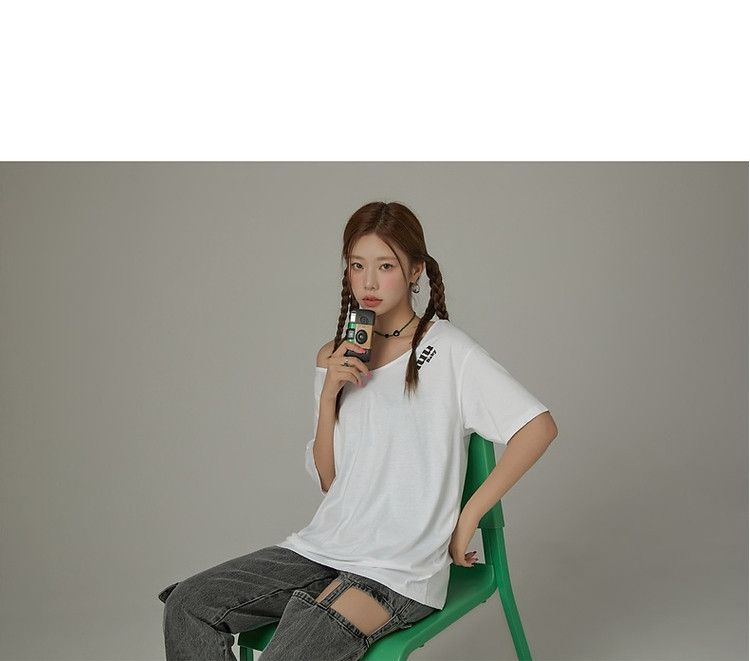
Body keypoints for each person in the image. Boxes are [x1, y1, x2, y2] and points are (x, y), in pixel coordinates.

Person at [159, 201, 558, 661]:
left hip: (399, 570)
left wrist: (466, 519)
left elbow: (538, 427)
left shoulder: (449, 350)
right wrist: (329, 394)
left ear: (415, 270)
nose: (368, 283)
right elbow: (331, 481)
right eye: (356, 266)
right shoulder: (336, 355)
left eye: (385, 266)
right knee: (187, 605)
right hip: (322, 549)